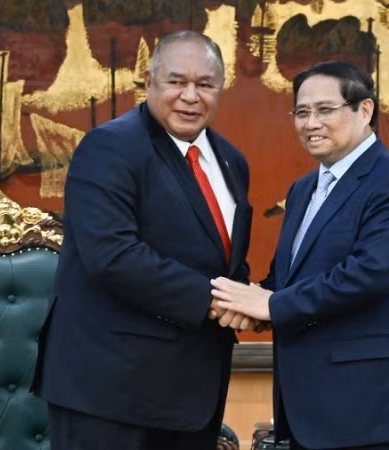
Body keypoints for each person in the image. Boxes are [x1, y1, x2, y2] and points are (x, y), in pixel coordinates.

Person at [32, 30, 254, 450]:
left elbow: (223, 259)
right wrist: (218, 301)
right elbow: (112, 255)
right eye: (176, 81)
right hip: (110, 390)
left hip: (194, 390)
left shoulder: (231, 160)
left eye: (205, 84)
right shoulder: (109, 147)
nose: (191, 96)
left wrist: (252, 299)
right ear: (149, 82)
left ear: (221, 89)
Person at [211, 61, 389, 450]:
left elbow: (369, 274)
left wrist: (271, 305)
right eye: (301, 112)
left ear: (364, 110)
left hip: (372, 412)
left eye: (325, 110)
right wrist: (246, 301)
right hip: (310, 411)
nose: (311, 123)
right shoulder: (304, 189)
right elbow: (289, 280)